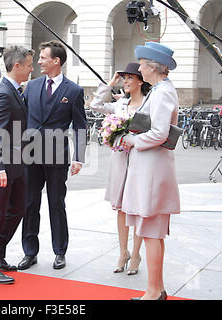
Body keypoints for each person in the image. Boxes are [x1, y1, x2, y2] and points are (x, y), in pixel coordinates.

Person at [18, 40, 87, 271]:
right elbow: (21, 116)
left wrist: (78, 158)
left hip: (57, 155)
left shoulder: (74, 91)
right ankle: (30, 252)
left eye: (43, 57)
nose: (39, 61)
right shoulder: (32, 86)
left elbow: (80, 126)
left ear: (56, 61)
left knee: (56, 204)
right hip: (30, 154)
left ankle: (60, 251)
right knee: (29, 204)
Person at [120, 42, 180, 300]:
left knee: (151, 232)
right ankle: (156, 289)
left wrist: (132, 140)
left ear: (153, 66)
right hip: (150, 168)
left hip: (153, 171)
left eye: (142, 63)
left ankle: (154, 292)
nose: (140, 67)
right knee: (151, 232)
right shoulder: (160, 90)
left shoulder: (163, 92)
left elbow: (159, 132)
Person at [90, 63, 151, 275]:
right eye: (123, 78)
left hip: (140, 160)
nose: (125, 82)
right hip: (119, 160)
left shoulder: (148, 105)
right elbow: (96, 105)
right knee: (121, 208)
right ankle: (123, 251)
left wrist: (134, 139)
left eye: (129, 78)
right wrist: (110, 83)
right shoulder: (120, 105)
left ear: (140, 81)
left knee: (137, 208)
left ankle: (136, 254)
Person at [0, 45, 34, 284]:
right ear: (17, 66)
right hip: (3, 165)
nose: (32, 69)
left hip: (18, 162)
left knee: (17, 210)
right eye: (30, 65)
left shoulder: (14, 90)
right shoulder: (3, 92)